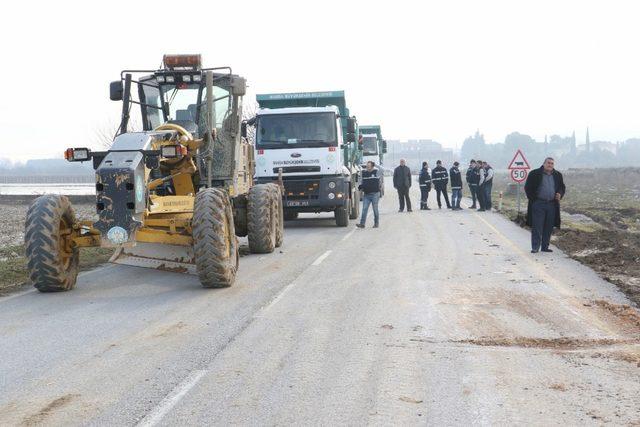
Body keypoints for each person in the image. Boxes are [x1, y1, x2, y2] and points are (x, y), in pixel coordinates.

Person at [524, 157, 566, 253]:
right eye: (548, 163)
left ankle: (545, 247)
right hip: (538, 203)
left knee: (549, 226)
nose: (550, 165)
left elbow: (562, 187)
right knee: (537, 226)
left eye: (552, 163)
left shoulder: (557, 175)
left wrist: (560, 194)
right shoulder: (534, 174)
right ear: (544, 164)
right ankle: (535, 247)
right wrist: (533, 200)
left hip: (552, 204)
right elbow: (527, 188)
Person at [356, 161, 381, 228]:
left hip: (375, 194)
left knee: (375, 209)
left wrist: (376, 165)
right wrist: (360, 187)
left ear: (372, 166)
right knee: (364, 209)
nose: (367, 167)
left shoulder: (376, 172)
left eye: (369, 166)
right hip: (366, 195)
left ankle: (376, 223)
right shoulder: (364, 173)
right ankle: (362, 224)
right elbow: (361, 182)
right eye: (367, 166)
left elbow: (381, 172)